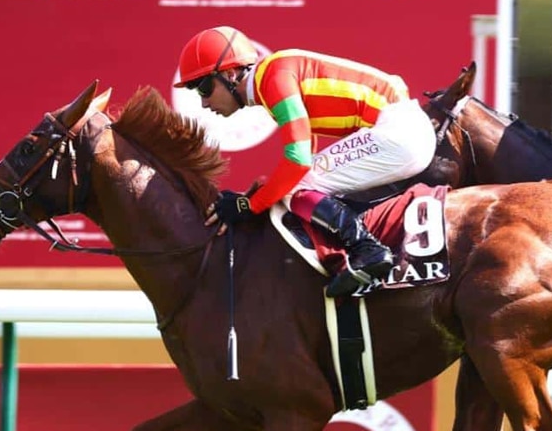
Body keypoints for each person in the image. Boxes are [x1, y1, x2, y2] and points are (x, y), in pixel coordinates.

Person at [174, 26, 438, 297]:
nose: (204, 103)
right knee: (296, 187)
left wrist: (249, 205)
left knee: (295, 189)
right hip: (402, 130)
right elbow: (306, 152)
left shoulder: (273, 80)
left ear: (230, 74)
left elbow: (298, 160)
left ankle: (367, 250)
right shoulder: (271, 80)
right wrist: (264, 195)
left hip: (398, 132)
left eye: (203, 87)